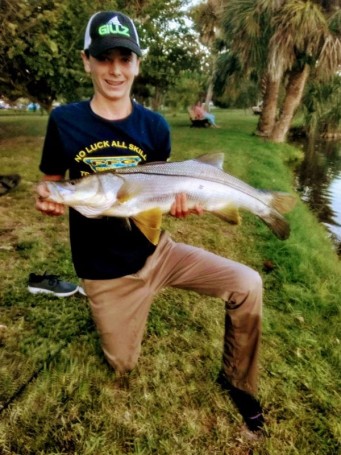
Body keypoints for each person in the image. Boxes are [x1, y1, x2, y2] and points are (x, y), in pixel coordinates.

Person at [35, 11, 264, 434]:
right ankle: (96, 298)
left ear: (138, 64)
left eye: (125, 59)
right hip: (107, 273)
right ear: (87, 61)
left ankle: (238, 380)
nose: (115, 70)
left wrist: (189, 203)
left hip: (160, 253)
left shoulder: (154, 126)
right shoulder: (63, 121)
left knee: (248, 283)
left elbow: (161, 194)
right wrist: (48, 196)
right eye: (105, 59)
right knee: (123, 364)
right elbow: (50, 184)